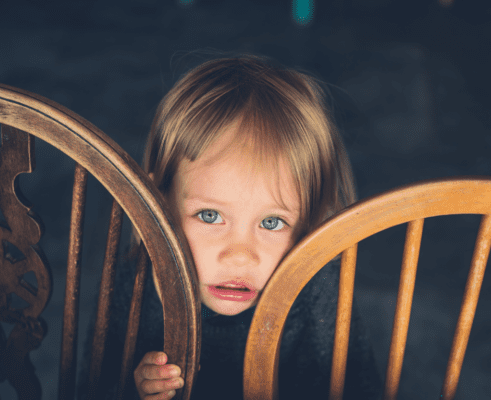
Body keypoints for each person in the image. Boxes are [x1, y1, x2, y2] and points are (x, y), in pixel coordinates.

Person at [77, 52, 382, 400]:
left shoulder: (318, 287)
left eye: (271, 222)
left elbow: (361, 388)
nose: (240, 255)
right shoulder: (135, 279)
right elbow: (90, 386)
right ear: (156, 205)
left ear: (308, 223)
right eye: (210, 216)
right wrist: (136, 392)